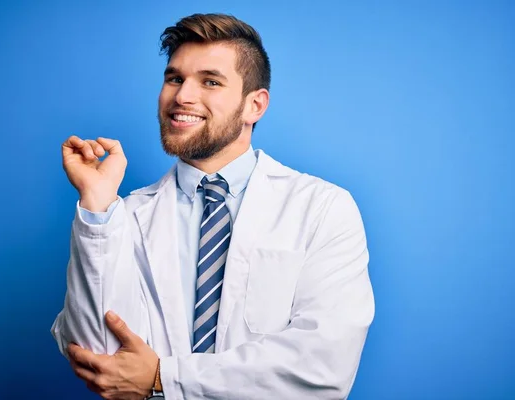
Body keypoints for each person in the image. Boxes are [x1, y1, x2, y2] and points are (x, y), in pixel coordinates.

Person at [51, 13, 374, 400]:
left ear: (255, 105)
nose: (183, 96)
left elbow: (322, 367)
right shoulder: (126, 216)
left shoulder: (323, 208)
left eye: (210, 82)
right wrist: (97, 203)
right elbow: (100, 357)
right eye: (174, 78)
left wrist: (162, 377)